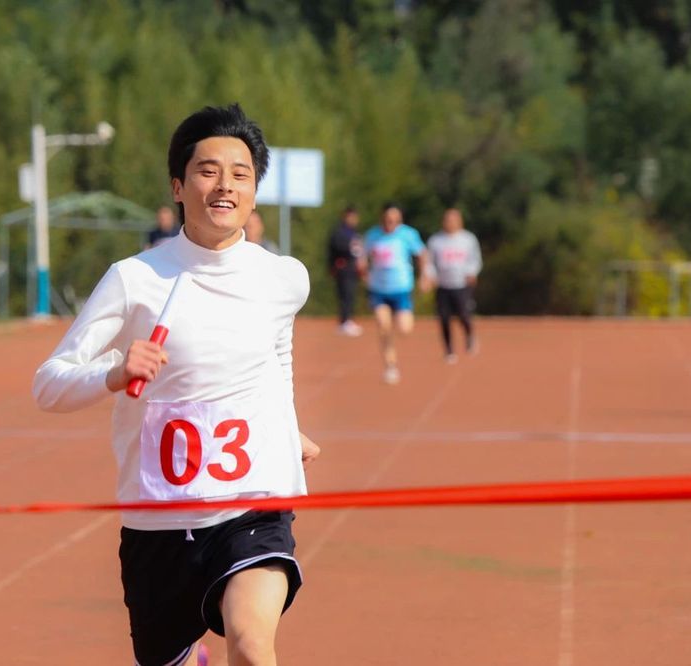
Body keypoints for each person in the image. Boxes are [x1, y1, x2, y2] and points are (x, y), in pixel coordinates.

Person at [33, 103, 320, 666]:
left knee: (251, 642)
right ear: (178, 187)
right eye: (208, 171)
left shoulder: (284, 279)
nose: (225, 185)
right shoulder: (135, 279)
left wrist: (288, 429)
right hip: (158, 519)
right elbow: (49, 385)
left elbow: (279, 355)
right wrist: (115, 373)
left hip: (252, 505)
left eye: (240, 174)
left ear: (254, 193)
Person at [363, 202, 431, 384]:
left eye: (394, 219)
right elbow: (362, 257)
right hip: (379, 289)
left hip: (401, 289)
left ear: (399, 219)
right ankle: (390, 366)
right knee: (383, 326)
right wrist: (364, 273)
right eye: (387, 219)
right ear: (382, 218)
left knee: (404, 329)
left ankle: (398, 320)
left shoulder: (408, 234)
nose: (390, 222)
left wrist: (424, 277)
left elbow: (422, 255)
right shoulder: (372, 235)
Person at [427, 207, 482, 363]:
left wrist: (472, 272)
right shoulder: (435, 241)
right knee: (444, 318)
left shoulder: (468, 239)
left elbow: (475, 259)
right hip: (443, 285)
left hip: (461, 284)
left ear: (460, 221)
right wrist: (431, 276)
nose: (450, 223)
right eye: (447, 220)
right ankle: (449, 350)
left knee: (464, 314)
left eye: (453, 220)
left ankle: (470, 335)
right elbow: (429, 262)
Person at [326, 205, 366, 336]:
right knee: (345, 295)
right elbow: (335, 250)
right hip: (343, 268)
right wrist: (332, 266)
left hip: (352, 269)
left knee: (351, 295)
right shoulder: (339, 233)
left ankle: (348, 320)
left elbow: (359, 251)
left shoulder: (354, 233)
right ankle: (344, 321)